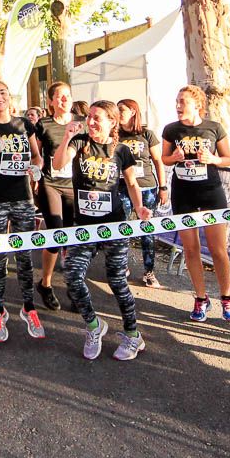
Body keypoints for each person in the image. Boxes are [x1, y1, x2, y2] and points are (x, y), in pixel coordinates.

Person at [53, 100, 148, 361]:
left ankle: (132, 334)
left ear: (112, 122)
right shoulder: (79, 142)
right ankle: (94, 326)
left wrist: (140, 208)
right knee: (72, 276)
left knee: (117, 281)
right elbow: (59, 164)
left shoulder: (121, 150)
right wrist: (66, 137)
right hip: (84, 226)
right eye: (90, 117)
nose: (92, 122)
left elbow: (131, 183)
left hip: (113, 225)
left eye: (98, 118)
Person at [0, 80, 46, 343]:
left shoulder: (24, 124)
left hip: (23, 198)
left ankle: (28, 306)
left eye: (3, 92)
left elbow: (37, 156)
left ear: (9, 96)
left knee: (24, 256)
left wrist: (36, 168)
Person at [161, 85, 230, 322]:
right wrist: (173, 158)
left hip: (210, 193)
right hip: (183, 194)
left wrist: (212, 158)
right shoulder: (171, 129)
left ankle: (226, 298)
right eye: (176, 101)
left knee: (217, 250)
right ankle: (201, 298)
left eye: (182, 101)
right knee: (190, 249)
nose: (178, 106)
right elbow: (164, 158)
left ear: (197, 105)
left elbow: (227, 159)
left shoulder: (213, 127)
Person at [34, 82, 81, 311]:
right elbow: (37, 155)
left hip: (74, 184)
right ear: (51, 101)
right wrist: (35, 174)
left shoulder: (81, 123)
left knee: (72, 237)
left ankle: (74, 287)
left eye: (67, 96)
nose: (64, 100)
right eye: (59, 97)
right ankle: (46, 283)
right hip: (50, 182)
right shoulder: (44, 124)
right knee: (56, 231)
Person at [118, 99, 166, 288]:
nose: (119, 113)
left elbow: (158, 161)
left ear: (133, 111)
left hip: (147, 187)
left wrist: (163, 187)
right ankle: (123, 267)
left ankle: (149, 271)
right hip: (123, 187)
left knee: (147, 230)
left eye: (122, 110)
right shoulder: (115, 135)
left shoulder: (147, 134)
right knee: (123, 227)